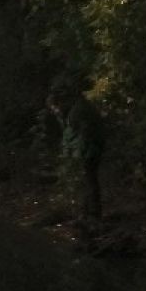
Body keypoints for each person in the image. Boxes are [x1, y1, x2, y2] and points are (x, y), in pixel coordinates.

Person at [47, 78, 105, 219]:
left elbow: (84, 135)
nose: (55, 111)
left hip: (88, 151)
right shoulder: (73, 110)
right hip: (83, 151)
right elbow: (71, 135)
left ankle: (93, 214)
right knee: (86, 181)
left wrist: (79, 153)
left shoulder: (79, 110)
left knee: (89, 180)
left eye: (56, 107)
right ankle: (86, 212)